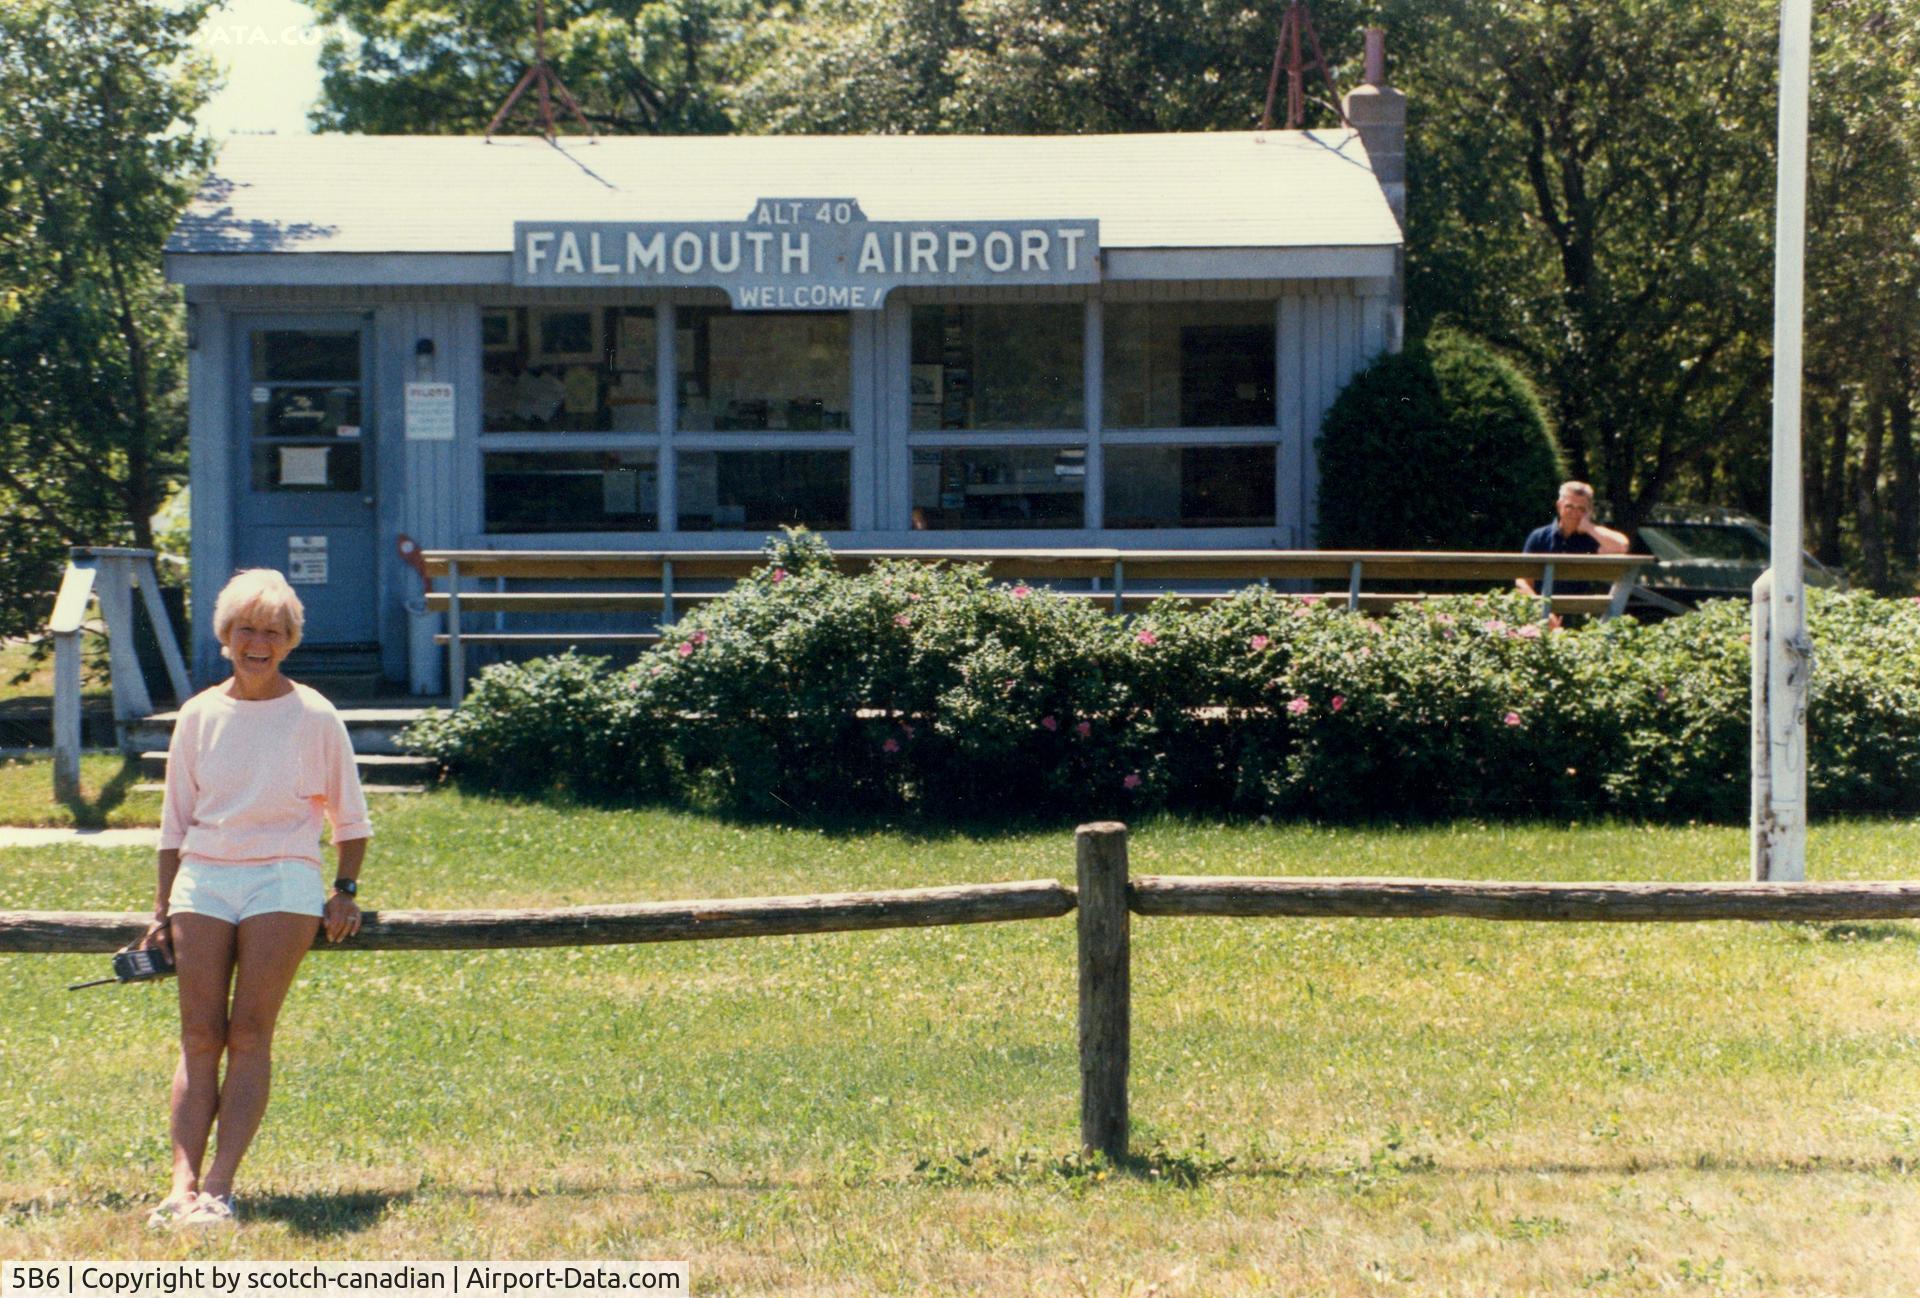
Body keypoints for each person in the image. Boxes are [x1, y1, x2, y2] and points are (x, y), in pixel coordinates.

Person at [127, 569, 371, 1229]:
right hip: (202, 879)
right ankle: (179, 1189)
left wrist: (343, 890)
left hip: (283, 880)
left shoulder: (315, 714)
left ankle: (220, 1189)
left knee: (249, 1032)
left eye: (271, 631)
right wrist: (160, 910)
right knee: (200, 1035)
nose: (257, 642)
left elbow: (351, 821)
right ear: (226, 637)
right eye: (245, 630)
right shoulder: (199, 714)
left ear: (289, 640)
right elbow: (175, 823)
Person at [1517, 481, 1631, 599]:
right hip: (1541, 612)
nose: (1574, 513)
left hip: (1579, 612)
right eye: (1569, 506)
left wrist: (1589, 527)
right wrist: (1542, 609)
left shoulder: (1593, 538)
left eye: (1581, 509)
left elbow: (1622, 546)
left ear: (1589, 511)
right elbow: (1522, 581)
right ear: (1559, 506)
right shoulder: (1539, 537)